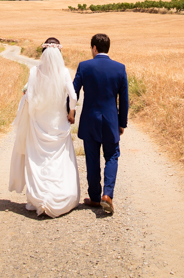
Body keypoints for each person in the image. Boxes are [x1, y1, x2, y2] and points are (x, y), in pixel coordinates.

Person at [8, 37, 80, 217]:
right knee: (59, 160)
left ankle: (37, 198)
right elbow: (74, 96)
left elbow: (30, 96)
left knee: (38, 160)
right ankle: (61, 195)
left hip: (39, 123)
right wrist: (70, 113)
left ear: (43, 53)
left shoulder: (34, 71)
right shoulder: (63, 72)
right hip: (58, 124)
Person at [73, 33, 128, 214]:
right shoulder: (120, 68)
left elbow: (74, 94)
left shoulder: (84, 66)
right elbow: (124, 100)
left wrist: (70, 112)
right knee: (112, 156)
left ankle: (95, 197)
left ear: (94, 48)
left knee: (92, 158)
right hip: (111, 121)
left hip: (89, 120)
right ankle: (108, 195)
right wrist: (122, 123)